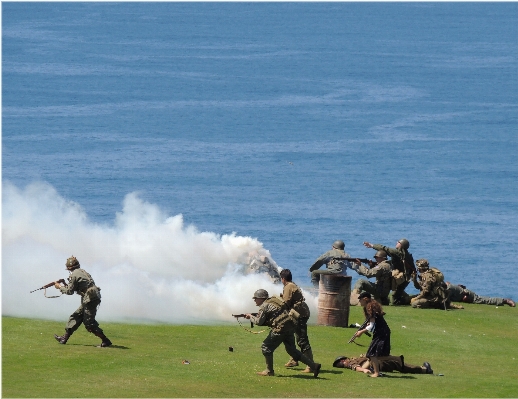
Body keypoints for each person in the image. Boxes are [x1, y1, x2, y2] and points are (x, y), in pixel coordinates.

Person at [244, 289, 321, 378]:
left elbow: (258, 322)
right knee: (292, 351)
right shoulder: (273, 302)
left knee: (266, 347)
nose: (254, 300)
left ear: (261, 298)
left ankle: (269, 371)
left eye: (256, 298)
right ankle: (313, 366)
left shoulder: (264, 306)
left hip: (280, 329)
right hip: (289, 327)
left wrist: (250, 317)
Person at [53, 256, 112, 347]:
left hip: (90, 299)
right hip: (90, 297)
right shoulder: (82, 271)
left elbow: (69, 291)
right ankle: (64, 338)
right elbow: (77, 287)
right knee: (76, 316)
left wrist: (59, 287)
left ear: (69, 268)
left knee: (89, 323)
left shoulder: (74, 275)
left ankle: (106, 340)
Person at [279, 269, 314, 373]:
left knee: (302, 340)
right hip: (298, 313)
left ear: (283, 279)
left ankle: (311, 365)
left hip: (299, 315)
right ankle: (294, 359)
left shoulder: (289, 286)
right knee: (290, 336)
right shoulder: (291, 285)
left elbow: (285, 303)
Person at [363, 238, 415, 305]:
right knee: (397, 292)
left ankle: (411, 299)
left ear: (401, 245)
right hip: (404, 278)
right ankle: (403, 297)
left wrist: (372, 245)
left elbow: (385, 248)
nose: (396, 242)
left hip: (401, 278)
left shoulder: (397, 253)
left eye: (398, 242)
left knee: (395, 300)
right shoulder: (407, 255)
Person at [352, 292, 390, 357]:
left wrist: (361, 332)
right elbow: (372, 322)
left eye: (360, 300)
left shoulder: (371, 308)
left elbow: (371, 326)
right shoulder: (369, 307)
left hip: (382, 333)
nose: (359, 301)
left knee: (373, 354)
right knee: (379, 354)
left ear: (365, 299)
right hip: (381, 332)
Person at [333, 354, 433, 377]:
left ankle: (424, 369)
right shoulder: (351, 363)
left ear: (344, 359)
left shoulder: (353, 359)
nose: (342, 364)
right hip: (377, 364)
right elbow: (356, 367)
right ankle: (425, 370)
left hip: (376, 363)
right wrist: (363, 370)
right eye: (340, 365)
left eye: (341, 362)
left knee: (400, 366)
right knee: (399, 365)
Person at [446, 282, 515, 307]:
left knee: (484, 300)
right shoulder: (443, 286)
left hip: (467, 295)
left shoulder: (446, 288)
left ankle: (504, 301)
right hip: (461, 293)